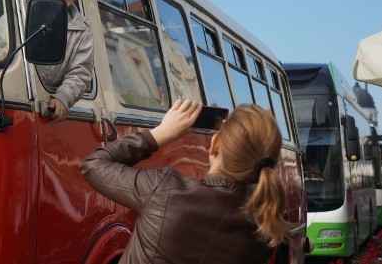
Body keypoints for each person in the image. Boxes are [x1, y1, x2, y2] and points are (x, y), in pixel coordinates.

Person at [80, 99, 290, 264]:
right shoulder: (264, 230)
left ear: (214, 144)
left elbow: (94, 165)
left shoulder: (164, 189)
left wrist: (157, 135)